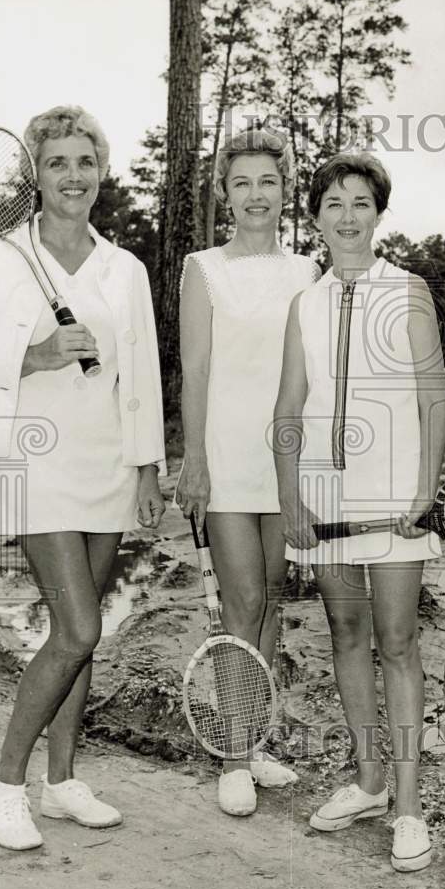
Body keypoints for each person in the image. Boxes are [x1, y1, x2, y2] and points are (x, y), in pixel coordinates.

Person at [0, 105, 166, 850]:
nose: (74, 176)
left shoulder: (126, 268)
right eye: (57, 162)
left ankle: (61, 783)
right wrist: (40, 354)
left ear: (102, 171)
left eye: (85, 161)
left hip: (107, 463)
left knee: (78, 633)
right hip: (33, 463)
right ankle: (5, 779)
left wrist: (148, 467)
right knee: (79, 625)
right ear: (35, 174)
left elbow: (142, 376)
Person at [273, 152, 445, 872]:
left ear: (378, 213)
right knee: (345, 633)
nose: (346, 216)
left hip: (393, 499)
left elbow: (432, 396)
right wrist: (290, 495)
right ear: (313, 216)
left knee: (397, 641)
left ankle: (408, 806)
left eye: (359, 203)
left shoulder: (407, 292)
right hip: (327, 500)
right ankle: (369, 782)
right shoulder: (303, 303)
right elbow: (287, 408)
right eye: (332, 204)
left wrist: (424, 490)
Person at [174, 123, 318, 816]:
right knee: (242, 606)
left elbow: (312, 377)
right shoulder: (203, 268)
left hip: (283, 465)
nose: (255, 195)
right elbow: (195, 371)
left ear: (284, 190)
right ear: (224, 194)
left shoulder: (306, 272)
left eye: (268, 181)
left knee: (271, 605)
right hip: (227, 462)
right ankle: (232, 757)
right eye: (241, 183)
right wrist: (193, 462)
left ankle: (253, 742)